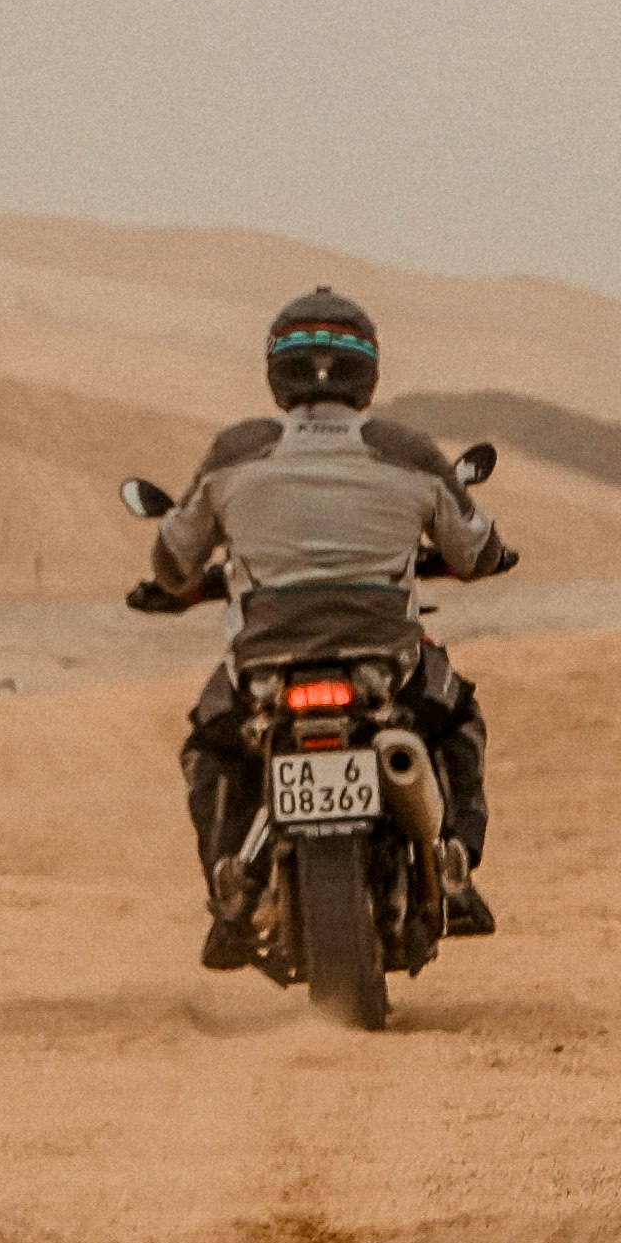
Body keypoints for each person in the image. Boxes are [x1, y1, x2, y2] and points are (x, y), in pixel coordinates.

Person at [128, 287, 515, 966]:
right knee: (456, 717)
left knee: (213, 743)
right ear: (368, 371)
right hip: (385, 663)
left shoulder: (234, 451)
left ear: (276, 371)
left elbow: (171, 559)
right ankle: (452, 866)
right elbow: (477, 551)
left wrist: (181, 580)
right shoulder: (408, 450)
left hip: (264, 668)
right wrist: (477, 555)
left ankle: (234, 884)